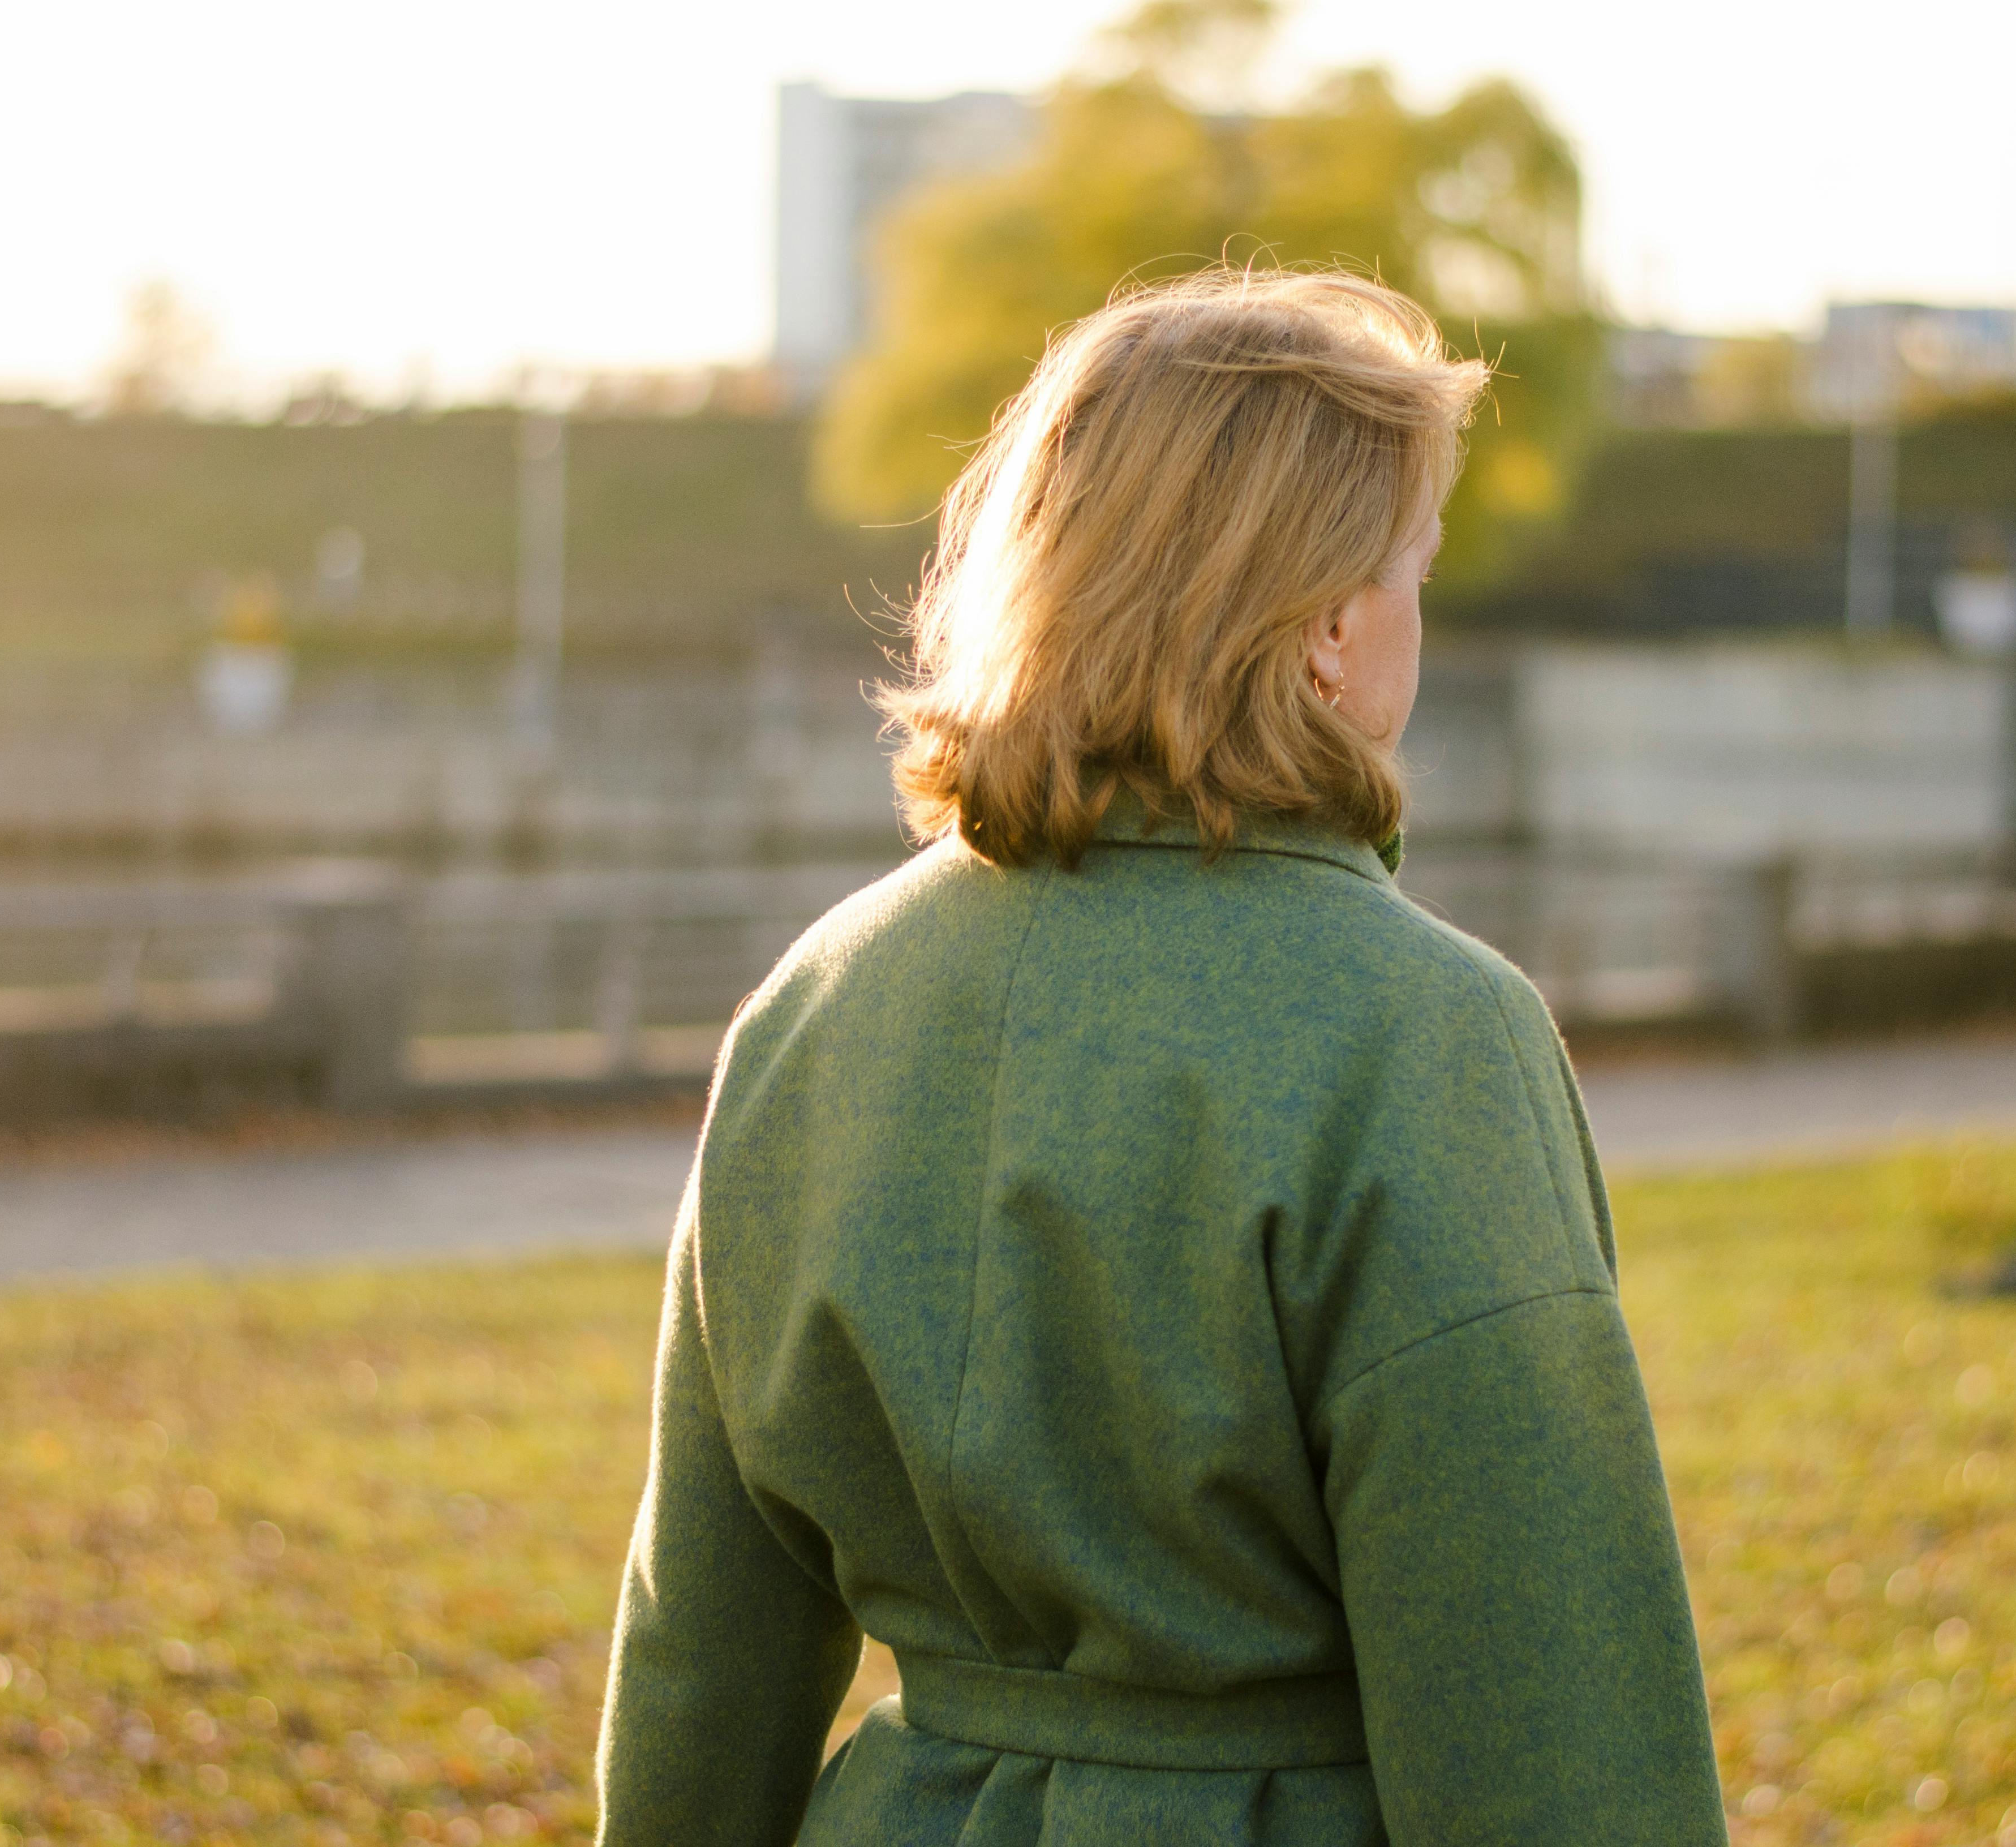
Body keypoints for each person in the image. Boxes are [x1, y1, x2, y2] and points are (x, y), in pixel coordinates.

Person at [596, 269, 1727, 1845]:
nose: (1418, 630)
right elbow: (1549, 1702)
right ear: (1330, 625)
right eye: (1415, 575)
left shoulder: (816, 1003)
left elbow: (699, 1658)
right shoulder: (1424, 1035)